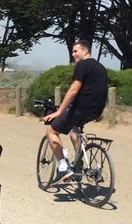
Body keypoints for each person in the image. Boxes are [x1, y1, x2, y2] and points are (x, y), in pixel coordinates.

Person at [43, 40, 108, 184]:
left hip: (81, 109)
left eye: (75, 51)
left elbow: (74, 90)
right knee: (74, 129)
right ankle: (79, 163)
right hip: (96, 111)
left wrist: (59, 111)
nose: (73, 54)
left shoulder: (82, 65)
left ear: (85, 51)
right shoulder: (101, 67)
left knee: (51, 131)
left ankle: (64, 166)